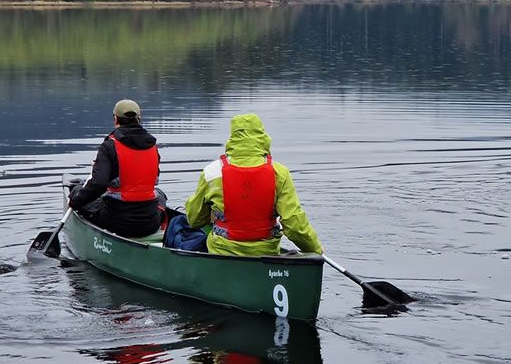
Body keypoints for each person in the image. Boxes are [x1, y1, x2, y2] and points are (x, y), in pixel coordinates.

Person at [181, 113, 322, 256]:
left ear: (232, 137)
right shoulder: (280, 172)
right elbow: (295, 226)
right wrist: (316, 251)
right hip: (267, 253)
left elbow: (194, 220)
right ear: (262, 136)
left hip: (222, 252)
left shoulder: (212, 172)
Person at [69, 99, 164, 237]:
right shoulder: (153, 147)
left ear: (115, 119)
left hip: (117, 223)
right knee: (160, 194)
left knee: (76, 191)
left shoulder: (109, 146)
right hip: (149, 223)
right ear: (139, 119)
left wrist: (74, 202)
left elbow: (99, 184)